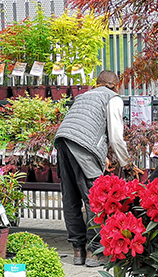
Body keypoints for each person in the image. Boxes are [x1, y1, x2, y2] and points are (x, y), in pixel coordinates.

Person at [54, 70, 130, 266]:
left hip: (63, 141)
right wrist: (126, 163)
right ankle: (94, 252)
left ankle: (77, 251)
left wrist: (101, 156)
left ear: (97, 83)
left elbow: (87, 127)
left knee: (70, 197)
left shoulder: (84, 96)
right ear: (116, 84)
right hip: (81, 145)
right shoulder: (113, 98)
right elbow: (115, 137)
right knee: (95, 198)